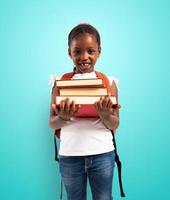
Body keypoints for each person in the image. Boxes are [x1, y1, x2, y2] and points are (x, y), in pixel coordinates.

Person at [49, 23, 120, 200]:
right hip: (70, 156)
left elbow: (115, 123)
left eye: (91, 51)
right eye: (77, 51)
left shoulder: (108, 82)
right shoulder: (60, 82)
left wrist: (105, 115)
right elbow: (52, 123)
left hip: (102, 153)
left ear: (99, 51)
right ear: (69, 52)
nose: (84, 57)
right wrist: (63, 117)